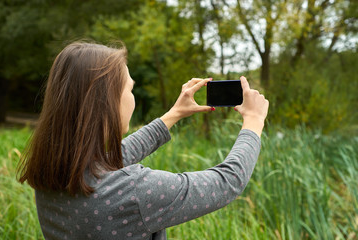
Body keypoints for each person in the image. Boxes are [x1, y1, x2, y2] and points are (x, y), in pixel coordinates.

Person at [17, 42, 269, 240]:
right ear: (105, 102)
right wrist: (254, 121)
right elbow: (226, 183)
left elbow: (112, 160)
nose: (132, 98)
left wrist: (173, 115)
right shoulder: (133, 192)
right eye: (129, 89)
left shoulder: (53, 170)